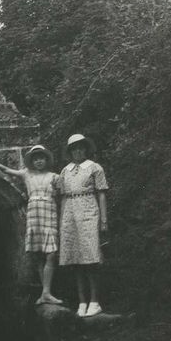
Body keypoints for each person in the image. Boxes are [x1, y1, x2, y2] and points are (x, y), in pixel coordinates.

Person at [0, 144, 62, 305]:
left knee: (51, 253)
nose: (39, 161)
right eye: (36, 159)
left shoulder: (55, 177)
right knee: (38, 254)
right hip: (34, 215)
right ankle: (44, 293)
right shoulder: (26, 174)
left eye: (42, 158)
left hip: (49, 213)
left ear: (46, 160)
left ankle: (47, 291)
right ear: (32, 161)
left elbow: (61, 197)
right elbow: (7, 170)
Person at [59, 133, 108, 317]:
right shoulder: (66, 171)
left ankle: (94, 301)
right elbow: (64, 197)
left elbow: (101, 194)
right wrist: (62, 222)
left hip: (88, 210)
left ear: (86, 149)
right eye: (74, 149)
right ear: (70, 152)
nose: (77, 152)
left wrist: (103, 220)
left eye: (81, 148)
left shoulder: (94, 168)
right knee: (75, 260)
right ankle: (82, 301)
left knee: (90, 258)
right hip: (70, 213)